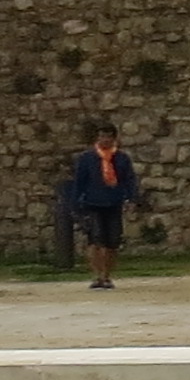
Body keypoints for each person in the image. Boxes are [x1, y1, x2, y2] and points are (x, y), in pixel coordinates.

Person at [64, 122, 141, 290]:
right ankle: (97, 275)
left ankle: (107, 275)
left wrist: (132, 199)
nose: (105, 140)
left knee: (112, 242)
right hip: (92, 203)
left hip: (113, 203)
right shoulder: (87, 158)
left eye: (108, 136)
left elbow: (129, 180)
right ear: (97, 138)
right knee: (96, 239)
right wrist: (75, 203)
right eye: (102, 136)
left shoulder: (121, 158)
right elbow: (79, 182)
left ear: (114, 139)